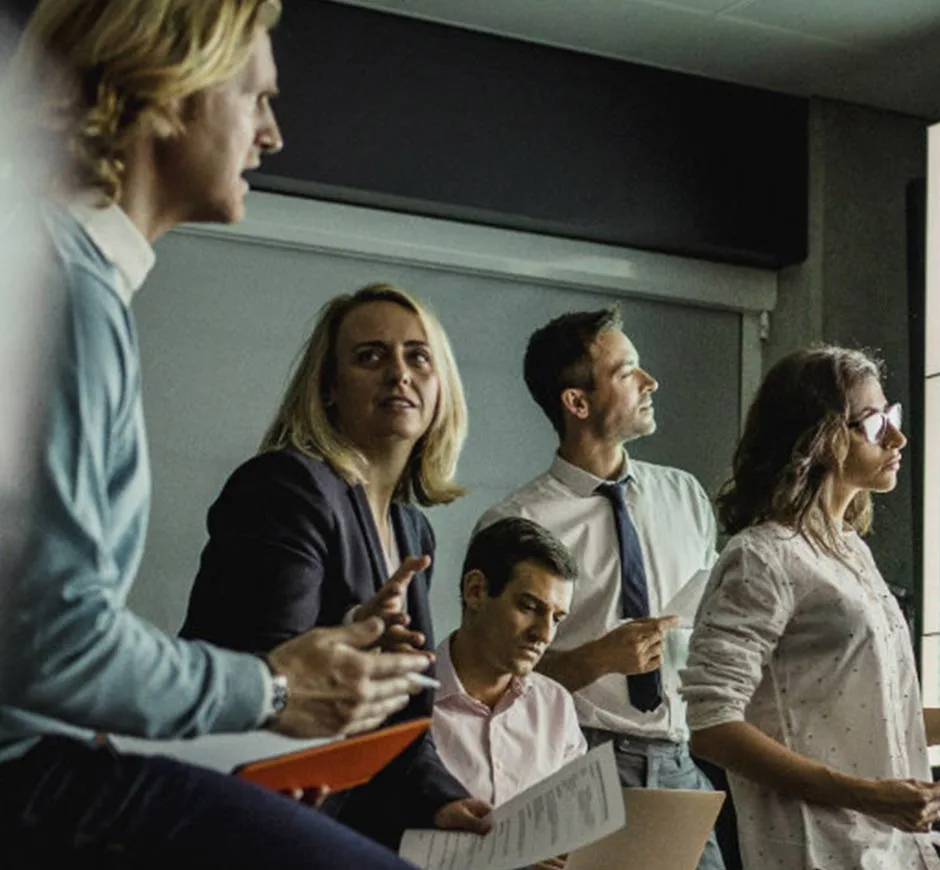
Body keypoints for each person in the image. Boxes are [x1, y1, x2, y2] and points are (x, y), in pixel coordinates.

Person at [0, 2, 437, 867]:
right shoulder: (67, 292)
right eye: (256, 99)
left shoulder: (74, 280)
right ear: (170, 94)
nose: (270, 135)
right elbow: (53, 643)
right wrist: (274, 689)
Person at [681, 345, 940, 870]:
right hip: (825, 849)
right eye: (874, 422)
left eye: (894, 417)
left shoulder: (849, 550)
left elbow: (889, 720)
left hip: (894, 846)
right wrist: (867, 795)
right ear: (817, 438)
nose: (897, 437)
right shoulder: (760, 557)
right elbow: (711, 727)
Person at [180, 283, 490, 848]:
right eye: (369, 356)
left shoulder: (412, 528)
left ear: (441, 386)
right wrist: (352, 641)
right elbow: (273, 684)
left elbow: (403, 720)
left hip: (345, 816)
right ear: (328, 389)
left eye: (418, 356)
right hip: (251, 809)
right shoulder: (286, 488)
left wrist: (446, 801)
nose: (399, 372)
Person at [476, 307, 727, 870]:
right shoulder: (516, 524)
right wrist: (597, 659)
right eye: (627, 371)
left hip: (681, 761)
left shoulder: (684, 496)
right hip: (579, 761)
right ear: (577, 403)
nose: (649, 382)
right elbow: (486, 677)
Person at [431, 516, 586, 804]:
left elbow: (574, 826)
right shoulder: (404, 699)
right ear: (475, 591)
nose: (545, 634)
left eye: (557, 618)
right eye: (529, 607)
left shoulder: (557, 706)